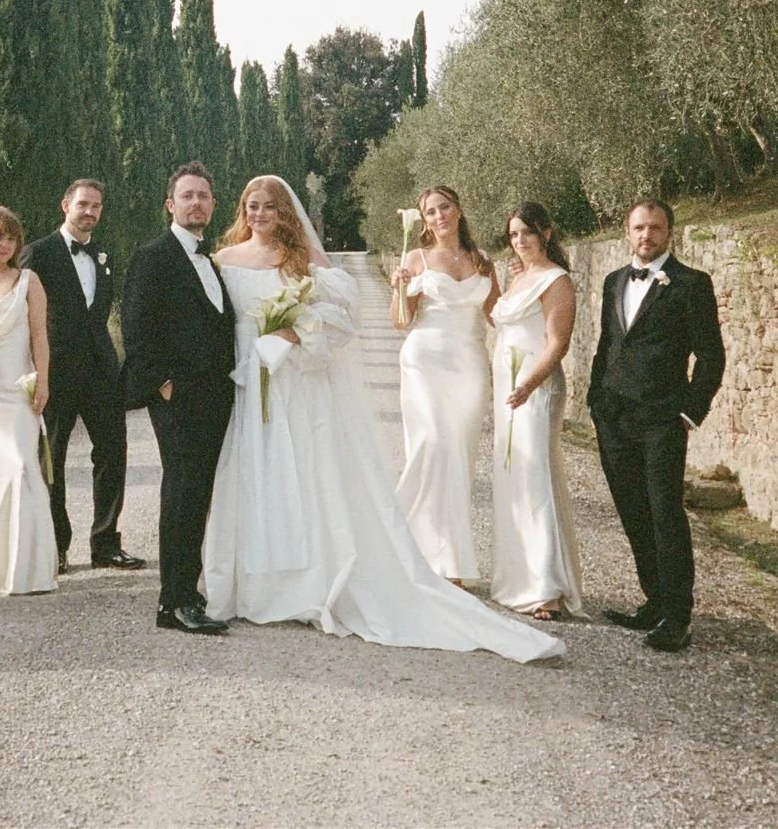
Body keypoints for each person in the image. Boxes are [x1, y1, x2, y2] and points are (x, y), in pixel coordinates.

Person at [202, 175, 565, 663]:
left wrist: (292, 333)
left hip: (296, 376)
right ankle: (250, 580)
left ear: (285, 212)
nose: (259, 213)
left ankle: (344, 572)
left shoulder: (301, 260)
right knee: (255, 471)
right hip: (249, 376)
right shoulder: (222, 261)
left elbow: (338, 313)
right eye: (251, 205)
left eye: (269, 206)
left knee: (308, 471)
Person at [586, 197, 726, 653]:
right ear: (627, 232)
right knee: (633, 512)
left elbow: (711, 356)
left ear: (670, 233)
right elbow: (608, 345)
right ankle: (654, 600)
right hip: (614, 418)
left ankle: (679, 615)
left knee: (666, 515)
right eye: (639, 228)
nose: (647, 236)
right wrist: (596, 400)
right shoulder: (612, 282)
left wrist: (689, 412)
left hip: (662, 421)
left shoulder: (691, 284)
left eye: (656, 228)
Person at [120, 162, 235, 636]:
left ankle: (188, 589)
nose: (196, 203)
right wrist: (163, 385)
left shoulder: (211, 260)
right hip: (177, 398)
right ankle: (174, 603)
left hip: (215, 395)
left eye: (204, 196)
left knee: (198, 494)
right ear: (170, 205)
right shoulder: (152, 256)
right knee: (183, 491)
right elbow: (135, 327)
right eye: (187, 196)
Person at [18, 179, 143, 573]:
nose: (90, 212)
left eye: (97, 206)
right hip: (54, 371)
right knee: (50, 457)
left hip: (102, 370)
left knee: (113, 451)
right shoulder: (37, 253)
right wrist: (33, 372)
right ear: (65, 205)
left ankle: (105, 541)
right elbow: (19, 314)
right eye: (83, 205)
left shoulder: (104, 255)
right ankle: (56, 544)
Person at [389, 185, 497, 585]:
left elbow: (498, 313)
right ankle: (405, 547)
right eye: (430, 212)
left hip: (469, 365)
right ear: (423, 220)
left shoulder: (483, 261)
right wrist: (400, 287)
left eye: (444, 208)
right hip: (424, 361)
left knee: (460, 458)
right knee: (433, 445)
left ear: (458, 209)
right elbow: (401, 321)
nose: (438, 216)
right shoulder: (415, 259)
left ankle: (449, 561)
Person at [489, 202, 585, 620]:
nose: (519, 241)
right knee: (513, 477)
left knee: (536, 476)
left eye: (527, 232)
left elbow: (557, 343)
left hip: (536, 387)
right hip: (506, 387)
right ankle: (519, 576)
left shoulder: (556, 280)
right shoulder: (519, 278)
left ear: (546, 233)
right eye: (513, 235)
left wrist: (529, 383)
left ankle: (546, 588)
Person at [0, 207, 57, 596]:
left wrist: (43, 382)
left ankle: (27, 571)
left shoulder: (28, 281)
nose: (3, 244)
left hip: (16, 392)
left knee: (20, 468)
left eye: (10, 238)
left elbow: (40, 336)